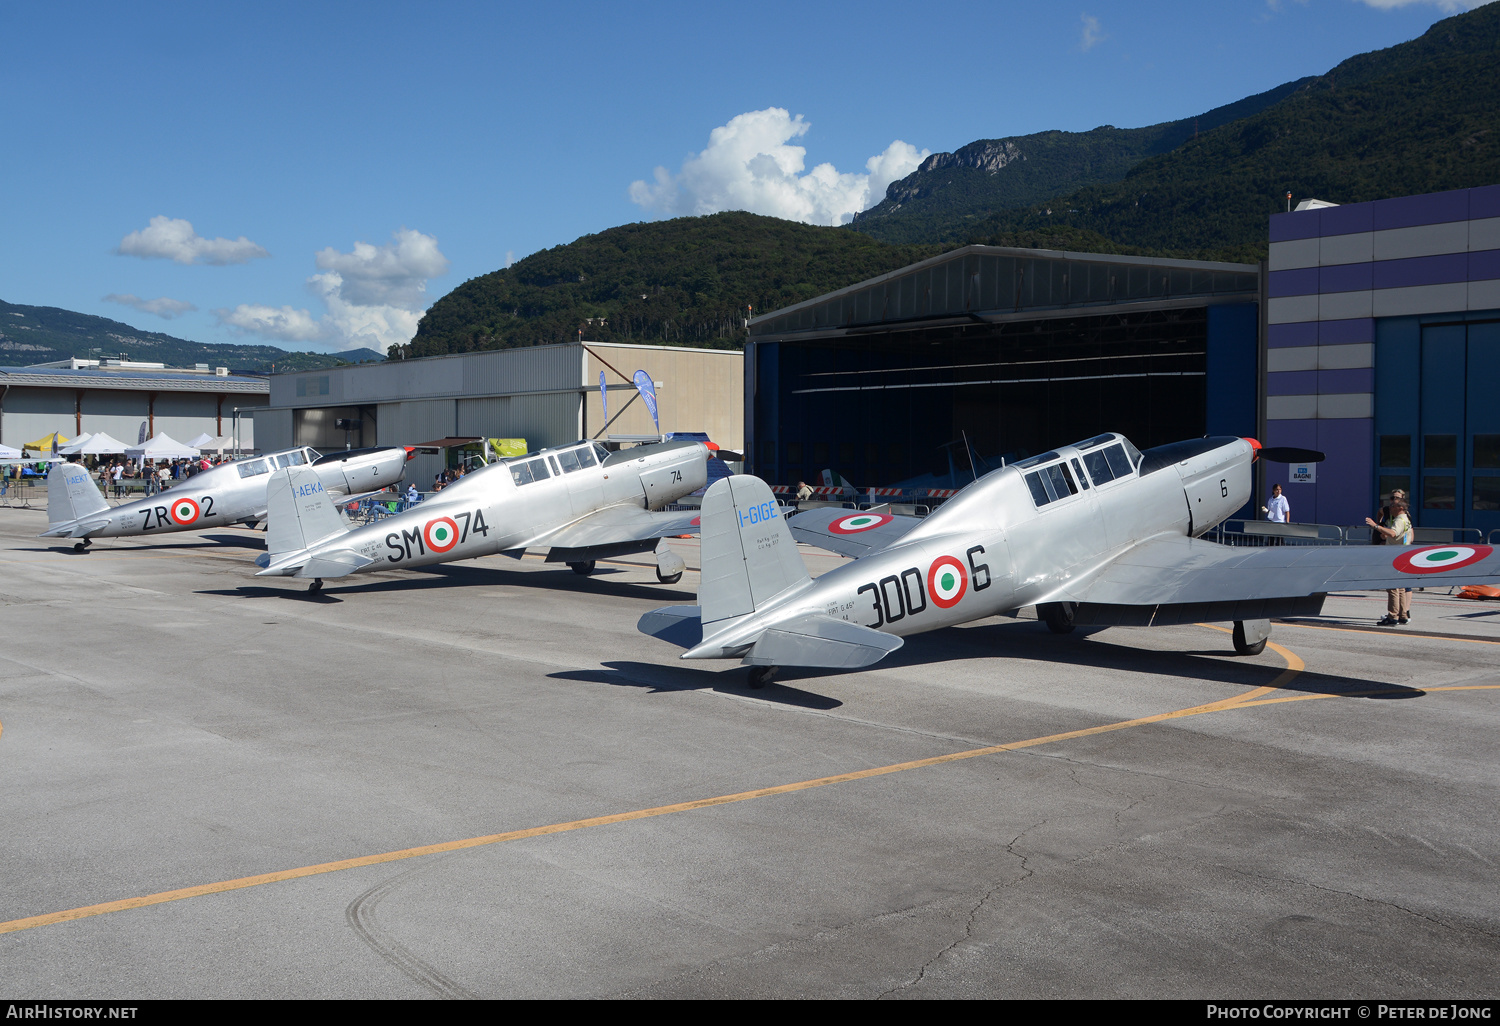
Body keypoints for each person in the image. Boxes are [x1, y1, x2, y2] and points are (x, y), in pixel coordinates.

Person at [1366, 499, 1413, 625]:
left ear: (1400, 508)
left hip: (1395, 556)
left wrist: (1376, 526)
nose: (1390, 508)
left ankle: (1393, 616)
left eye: (1393, 506)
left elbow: (1393, 533)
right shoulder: (1406, 519)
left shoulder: (1399, 520)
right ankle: (1402, 614)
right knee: (1401, 587)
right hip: (1403, 554)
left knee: (1392, 587)